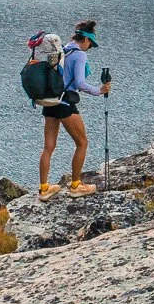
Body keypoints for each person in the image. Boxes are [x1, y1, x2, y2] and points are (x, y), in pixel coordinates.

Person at [39, 20, 109, 199]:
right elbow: (79, 83)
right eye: (91, 44)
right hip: (65, 104)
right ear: (85, 39)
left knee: (48, 147)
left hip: (50, 101)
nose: (90, 48)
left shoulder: (62, 49)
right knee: (82, 142)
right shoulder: (79, 55)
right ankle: (76, 185)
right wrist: (98, 91)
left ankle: (44, 189)